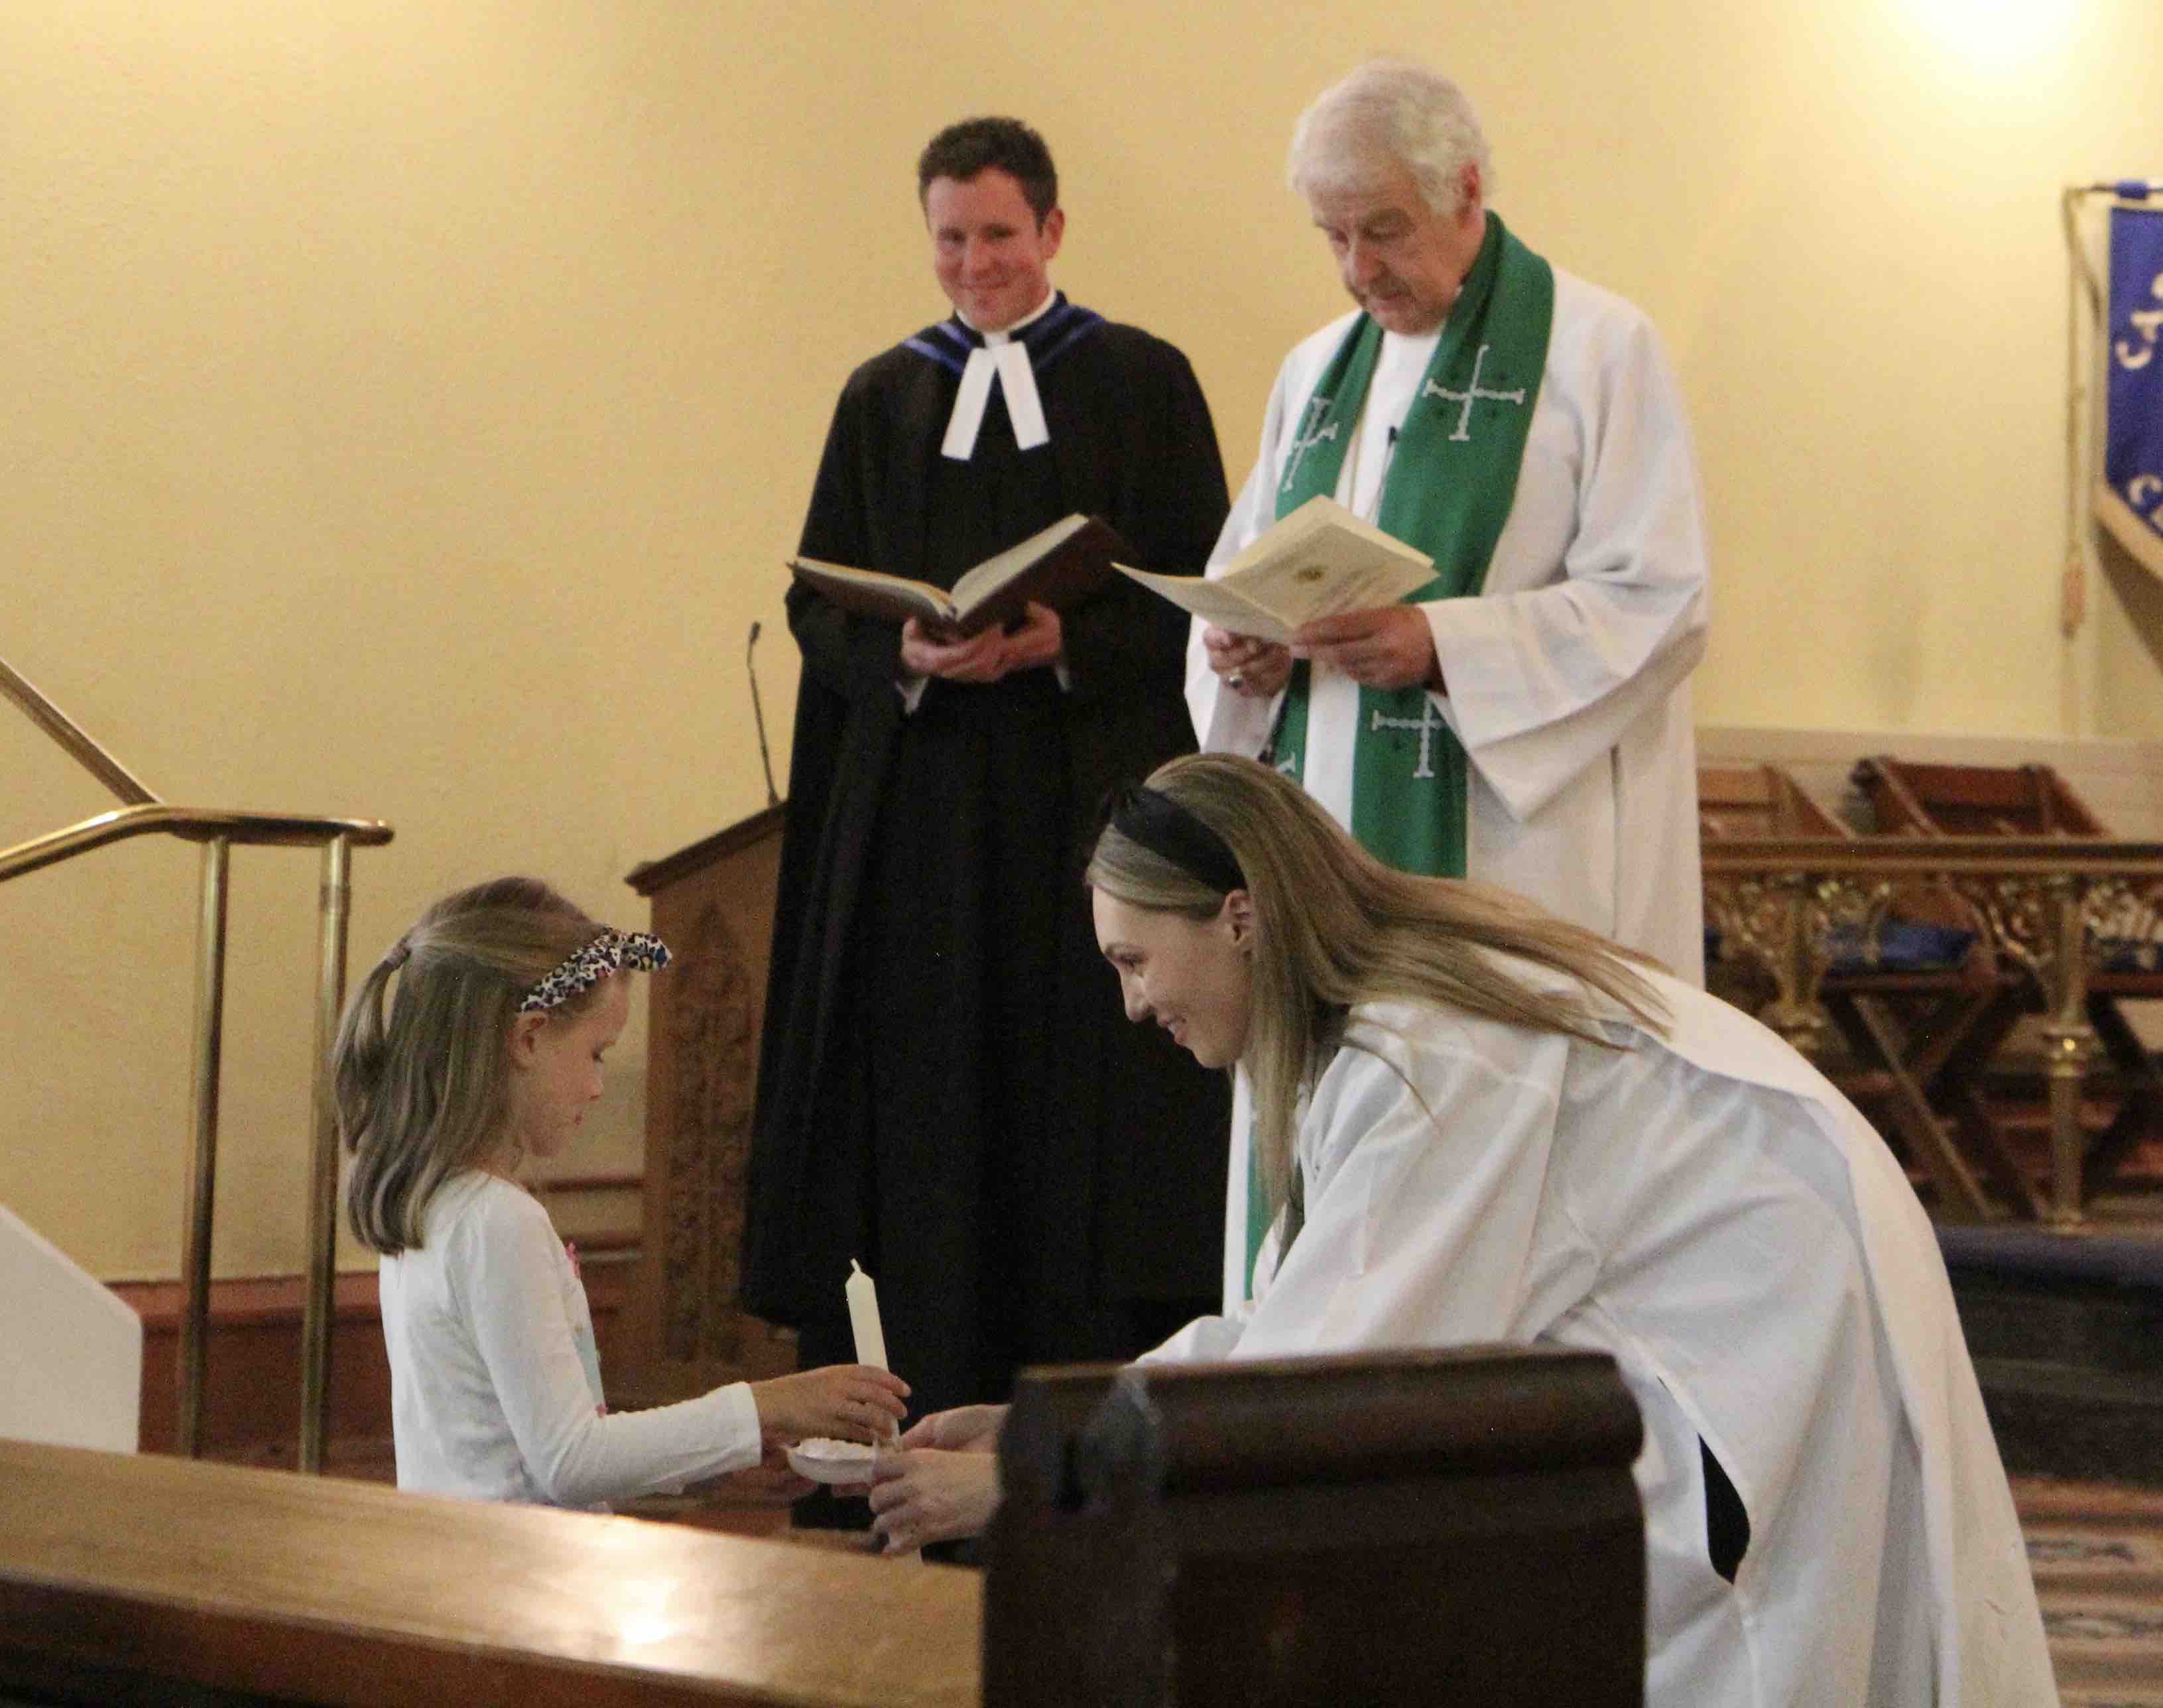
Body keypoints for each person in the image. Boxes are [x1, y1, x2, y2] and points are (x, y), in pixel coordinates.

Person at [869, 755, 2056, 1707]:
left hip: (1752, 1355)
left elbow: (1324, 1382)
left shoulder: (1425, 1054)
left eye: (1134, 959)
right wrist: (1056, 1421)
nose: (1134, 1004)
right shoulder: (1380, 1025)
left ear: (1239, 916)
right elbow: (1306, 1320)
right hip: (1703, 1335)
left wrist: (1036, 1488)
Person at [744, 117, 1233, 1466]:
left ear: (1053, 232)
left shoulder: (1140, 380)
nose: (973, 264)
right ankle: (917, 1419)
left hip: (1080, 811)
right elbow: (813, 599)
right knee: (929, 1109)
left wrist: (1059, 641)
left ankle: (1092, 1444)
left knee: (1082, 1106)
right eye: (949, 239)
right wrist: (896, 644)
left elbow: (1198, 587)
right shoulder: (879, 396)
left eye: (998, 236)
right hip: (924, 833)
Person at [1191, 59, 1713, 1302]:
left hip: (1510, 853)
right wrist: (1246, 652)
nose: (1359, 269)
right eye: (1333, 236)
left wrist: (1446, 647)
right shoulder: (1315, 369)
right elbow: (1246, 570)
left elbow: (1662, 599)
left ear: (1468, 191)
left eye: (1384, 230)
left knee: (1498, 1194)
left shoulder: (1597, 349)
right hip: (1323, 834)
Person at [334, 877, 908, 1508]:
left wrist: (715, 1466)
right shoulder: (497, 1221)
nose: (598, 1086)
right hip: (518, 1585)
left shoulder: (430, 1202)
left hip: (473, 1566)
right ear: (527, 1039)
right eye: (596, 1053)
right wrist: (765, 1406)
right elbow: (571, 1462)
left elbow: (527, 1443)